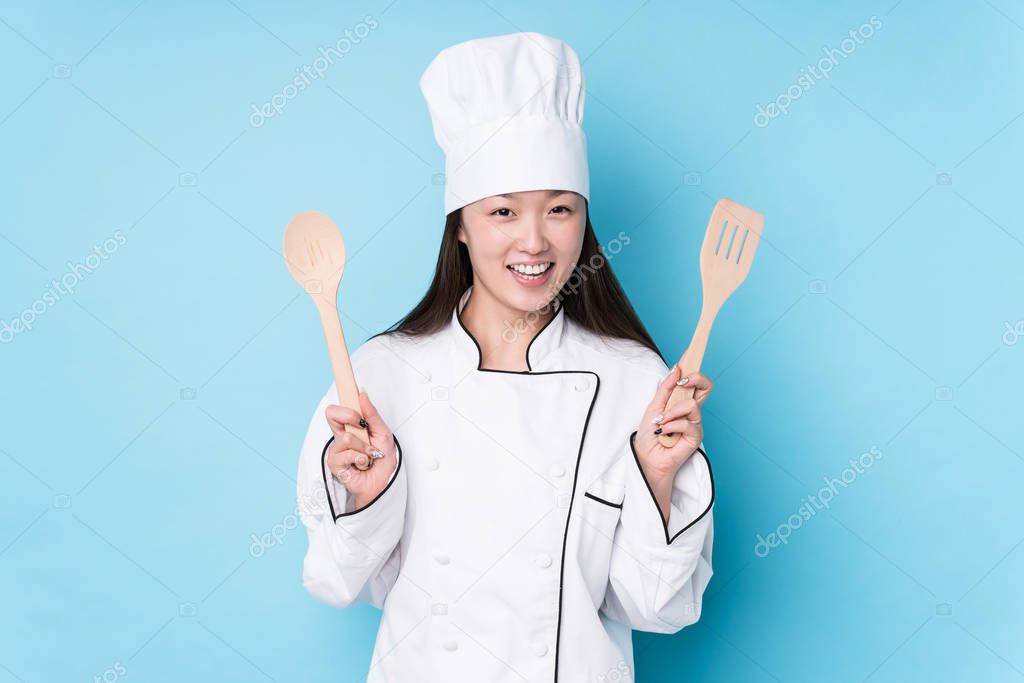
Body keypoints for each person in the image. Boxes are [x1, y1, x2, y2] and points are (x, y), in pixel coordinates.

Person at [296, 31, 715, 682]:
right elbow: (333, 579)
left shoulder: (635, 381)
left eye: (559, 209)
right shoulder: (380, 374)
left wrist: (657, 477)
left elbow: (655, 607)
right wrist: (369, 498)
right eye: (502, 211)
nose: (535, 240)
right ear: (460, 224)